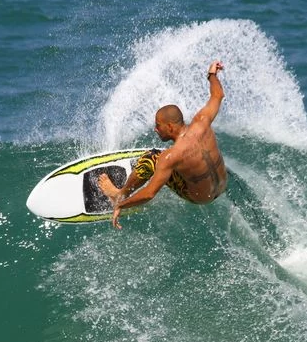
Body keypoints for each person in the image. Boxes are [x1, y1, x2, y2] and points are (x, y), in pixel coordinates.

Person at [98, 60, 228, 229]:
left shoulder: (171, 156)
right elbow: (217, 95)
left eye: (158, 126)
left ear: (170, 126)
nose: (155, 129)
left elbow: (149, 193)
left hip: (201, 197)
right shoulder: (203, 121)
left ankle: (119, 194)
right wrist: (212, 75)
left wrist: (121, 206)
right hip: (222, 185)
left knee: (152, 158)